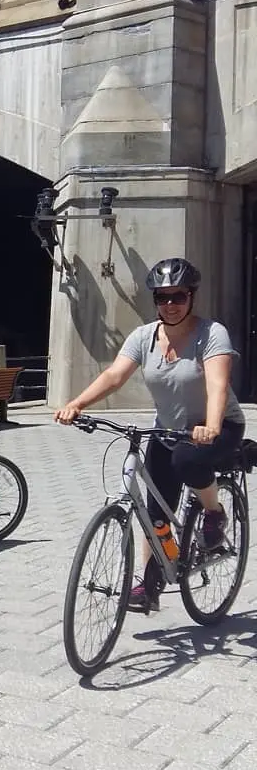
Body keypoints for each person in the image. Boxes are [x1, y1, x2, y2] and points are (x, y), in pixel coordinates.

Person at [55, 257, 245, 612]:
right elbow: (114, 376)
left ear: (192, 297)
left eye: (178, 296)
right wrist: (77, 404)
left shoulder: (211, 333)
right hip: (169, 430)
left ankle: (214, 512)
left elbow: (218, 385)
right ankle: (150, 582)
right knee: (154, 512)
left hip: (217, 428)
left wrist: (213, 426)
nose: (170, 305)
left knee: (187, 461)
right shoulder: (144, 336)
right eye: (162, 298)